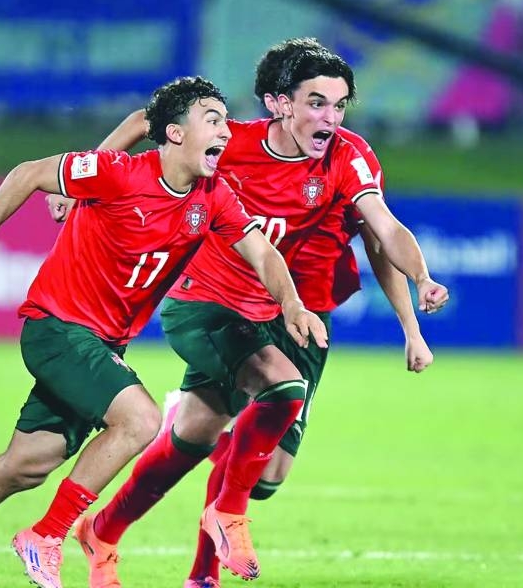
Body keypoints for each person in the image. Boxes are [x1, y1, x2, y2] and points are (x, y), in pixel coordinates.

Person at [0, 76, 328, 588]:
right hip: (57, 327)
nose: (225, 132)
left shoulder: (214, 196)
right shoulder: (117, 172)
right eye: (212, 120)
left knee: (28, 463)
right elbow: (29, 173)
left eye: (225, 122)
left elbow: (262, 252)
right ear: (175, 132)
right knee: (141, 419)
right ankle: (46, 536)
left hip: (102, 343)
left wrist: (291, 303)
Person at [66, 47, 449, 588]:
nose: (330, 118)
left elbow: (382, 232)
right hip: (215, 301)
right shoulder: (231, 142)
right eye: (316, 103)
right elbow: (141, 122)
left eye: (340, 105)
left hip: (300, 316)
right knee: (273, 395)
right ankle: (205, 570)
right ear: (278, 103)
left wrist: (420, 292)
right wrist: (78, 183)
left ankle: (102, 530)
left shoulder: (348, 157)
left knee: (252, 466)